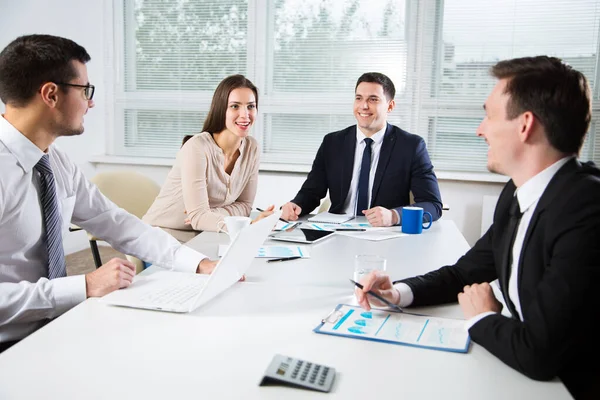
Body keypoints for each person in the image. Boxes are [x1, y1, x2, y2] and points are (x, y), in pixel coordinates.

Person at [355, 56, 600, 399]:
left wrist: (483, 318)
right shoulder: (518, 191)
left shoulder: (586, 209)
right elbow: (464, 273)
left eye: (489, 115)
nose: (480, 129)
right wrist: (398, 292)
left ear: (524, 125)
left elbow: (541, 354)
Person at [0, 34, 217, 353]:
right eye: (85, 90)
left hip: (59, 326)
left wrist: (198, 263)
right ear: (50, 94)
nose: (91, 103)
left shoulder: (54, 161)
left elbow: (118, 224)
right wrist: (83, 285)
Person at [280, 72, 442, 227]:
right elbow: (312, 192)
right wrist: (296, 205)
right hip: (336, 230)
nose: (363, 106)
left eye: (373, 99)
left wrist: (394, 216)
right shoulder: (333, 142)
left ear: (390, 106)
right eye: (359, 98)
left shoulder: (411, 146)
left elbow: (433, 205)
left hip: (384, 233)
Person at [142, 74, 272, 242]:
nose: (245, 115)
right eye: (235, 106)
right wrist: (247, 225)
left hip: (206, 236)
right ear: (221, 109)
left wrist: (209, 215)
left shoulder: (252, 148)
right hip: (161, 238)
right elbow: (199, 218)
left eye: (250, 106)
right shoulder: (197, 147)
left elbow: (245, 207)